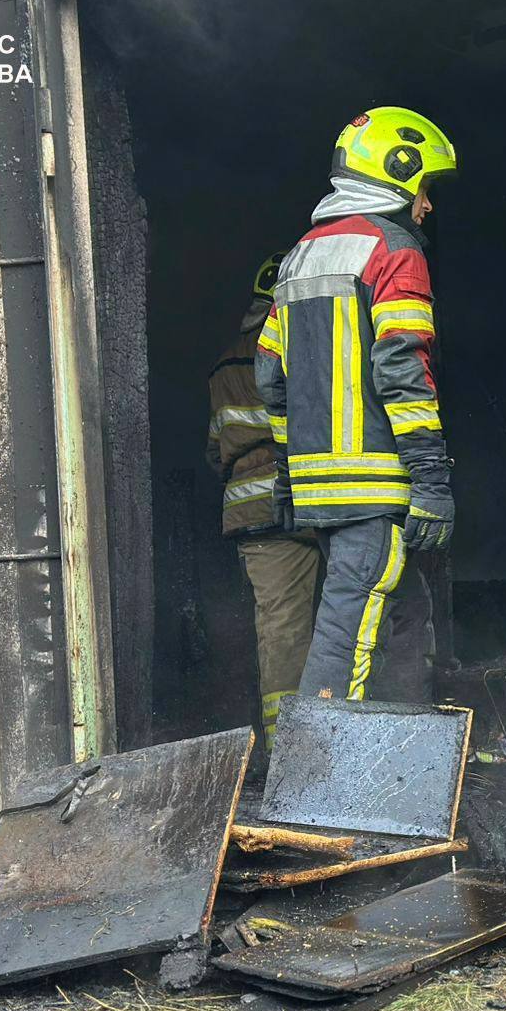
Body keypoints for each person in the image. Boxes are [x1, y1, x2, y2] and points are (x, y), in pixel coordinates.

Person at [255, 106, 456, 705]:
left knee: (404, 616)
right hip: (374, 484)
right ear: (397, 173)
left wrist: (290, 476)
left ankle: (402, 750)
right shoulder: (394, 250)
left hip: (320, 487)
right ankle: (320, 762)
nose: (427, 205)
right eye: (425, 188)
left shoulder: (299, 256)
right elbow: (403, 369)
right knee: (347, 633)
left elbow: (270, 377)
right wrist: (431, 478)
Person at [207, 253, 324, 743]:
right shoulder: (310, 342)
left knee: (282, 631)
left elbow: (216, 451)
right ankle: (336, 746)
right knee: (355, 623)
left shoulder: (225, 364)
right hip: (317, 501)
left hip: (253, 516)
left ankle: (285, 751)